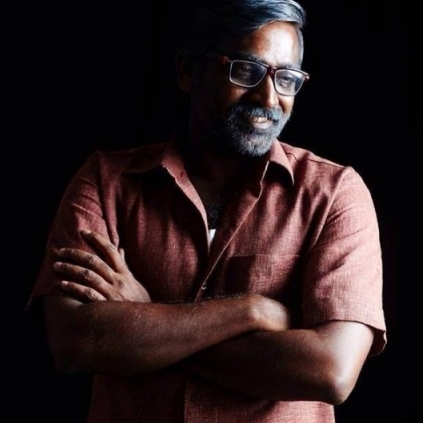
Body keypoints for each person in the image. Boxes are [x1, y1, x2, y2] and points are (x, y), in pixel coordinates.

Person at [27, 0, 387, 422]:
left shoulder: (335, 195)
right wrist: (252, 310)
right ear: (187, 71)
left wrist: (148, 316)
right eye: (245, 70)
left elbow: (331, 372)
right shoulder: (105, 182)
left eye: (287, 78)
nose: (268, 97)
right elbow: (74, 342)